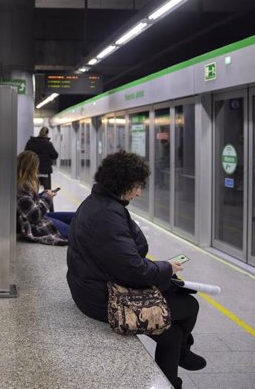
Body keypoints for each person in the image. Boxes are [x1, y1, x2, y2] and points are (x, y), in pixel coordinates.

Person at [66, 151, 205, 389]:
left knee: (170, 334)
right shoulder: (107, 214)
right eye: (137, 186)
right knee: (190, 305)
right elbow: (133, 270)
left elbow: (125, 256)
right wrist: (167, 268)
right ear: (122, 183)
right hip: (103, 298)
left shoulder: (100, 202)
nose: (139, 192)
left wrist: (160, 270)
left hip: (90, 286)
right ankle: (183, 352)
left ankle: (172, 378)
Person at [16, 151, 74, 246]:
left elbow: (29, 203)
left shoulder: (22, 184)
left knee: (75, 216)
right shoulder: (22, 187)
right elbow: (35, 216)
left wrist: (42, 195)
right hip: (32, 225)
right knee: (75, 231)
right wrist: (47, 198)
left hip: (38, 218)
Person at [24, 126, 59, 191]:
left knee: (33, 190)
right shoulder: (48, 144)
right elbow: (55, 155)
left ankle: (34, 200)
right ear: (47, 134)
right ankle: (46, 201)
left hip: (33, 170)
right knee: (47, 192)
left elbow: (25, 154)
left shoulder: (30, 142)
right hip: (45, 171)